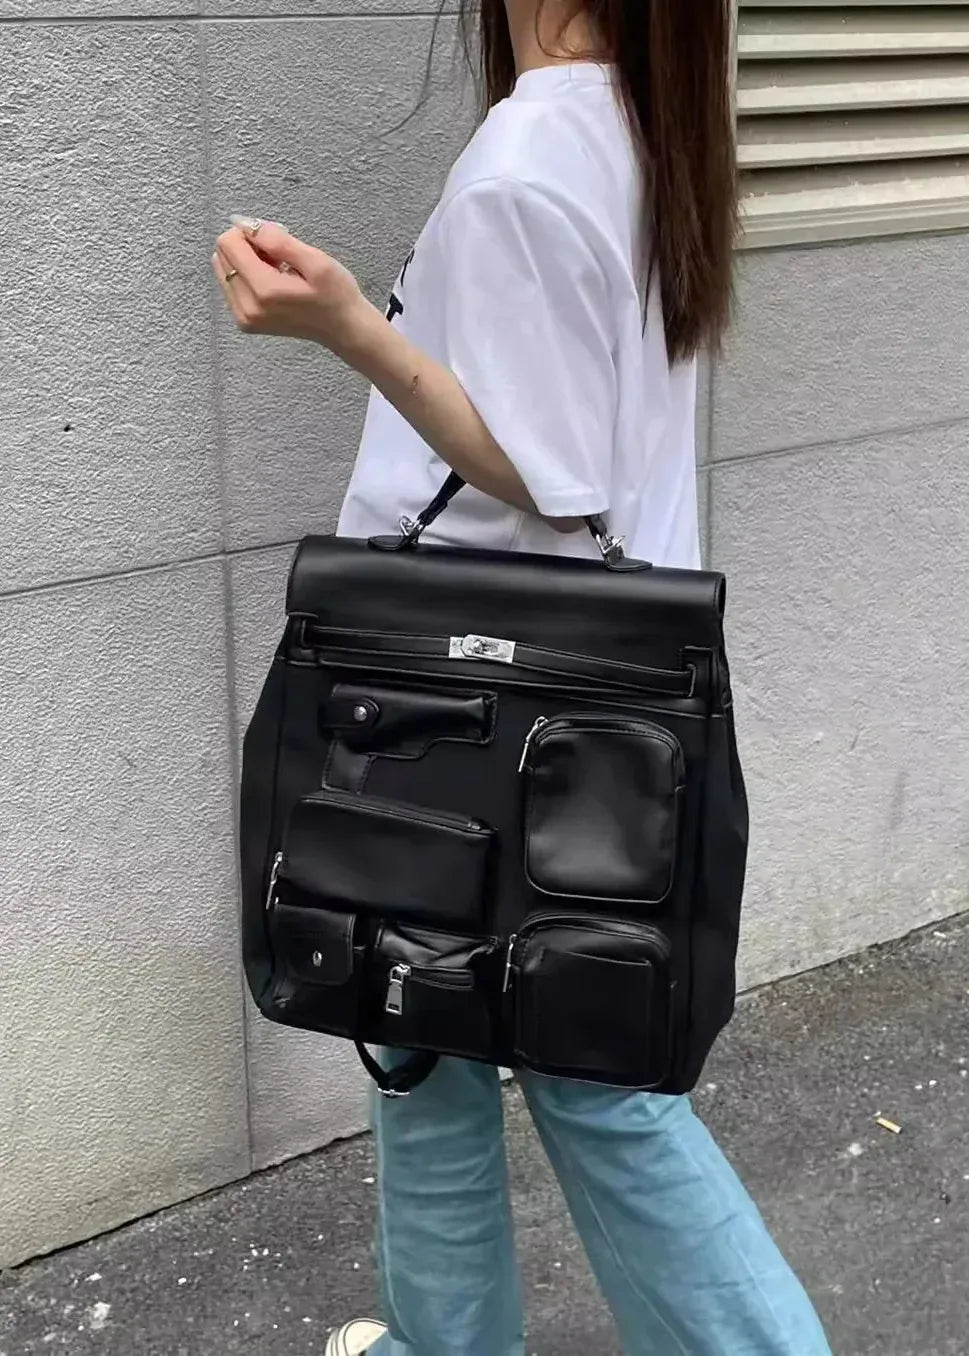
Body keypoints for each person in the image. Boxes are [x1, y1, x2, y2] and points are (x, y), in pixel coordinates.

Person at [214, 2, 834, 1353]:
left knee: (564, 1075)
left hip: (456, 709)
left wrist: (345, 326)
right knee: (421, 1040)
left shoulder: (524, 158)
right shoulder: (644, 127)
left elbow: (554, 476)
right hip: (588, 710)